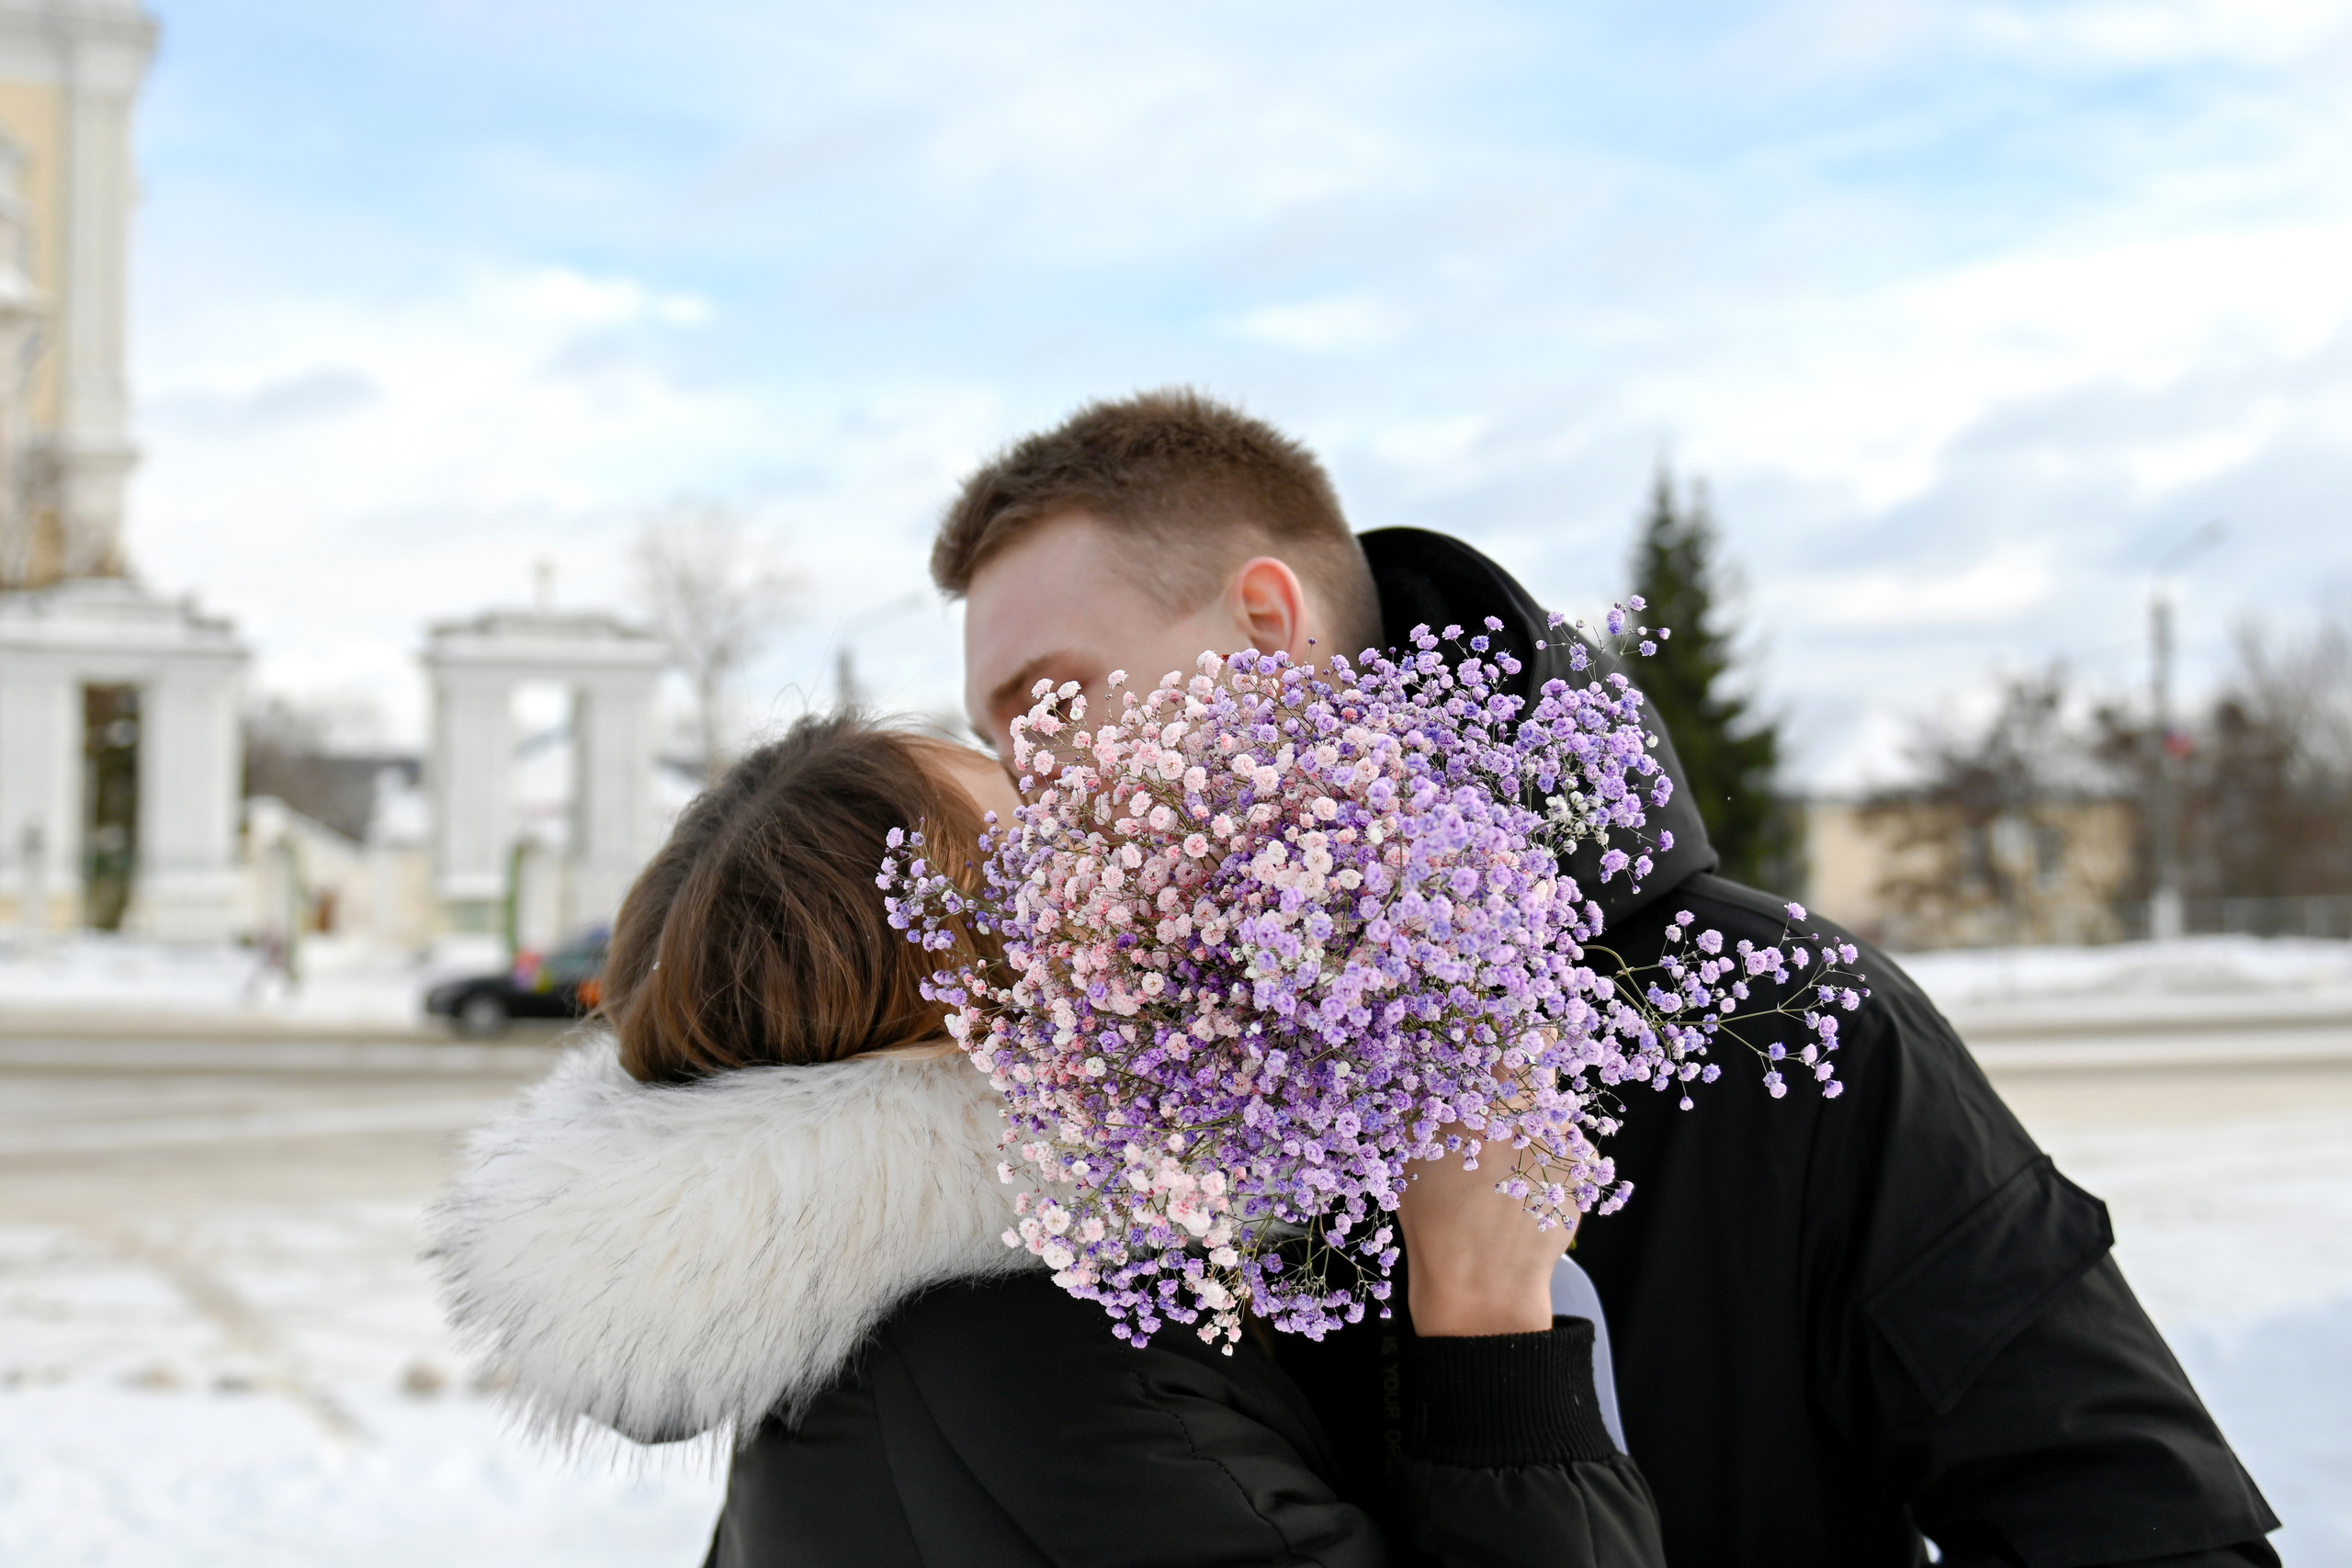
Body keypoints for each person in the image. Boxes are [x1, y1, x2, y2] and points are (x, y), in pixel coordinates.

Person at [935, 389, 2282, 1568]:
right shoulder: (1106, 1119)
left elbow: (2151, 1536)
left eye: (1057, 707)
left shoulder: (1781, 1020)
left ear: (1269, 628)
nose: (1034, 802)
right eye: (1003, 749)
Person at [427, 714, 1667, 1567]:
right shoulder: (1044, 1361)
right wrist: (1490, 1317)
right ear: (961, 994)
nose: (1116, 848)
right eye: (1044, 841)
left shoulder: (850, 1313)